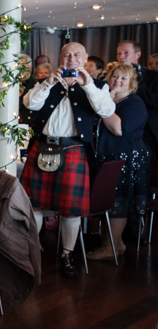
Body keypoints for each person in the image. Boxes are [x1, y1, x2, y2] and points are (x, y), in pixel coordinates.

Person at [21, 42, 115, 278]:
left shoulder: (98, 86)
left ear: (84, 59)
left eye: (76, 55)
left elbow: (105, 110)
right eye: (66, 54)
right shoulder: (46, 83)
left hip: (73, 149)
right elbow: (29, 104)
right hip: (43, 147)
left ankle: (67, 255)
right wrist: (48, 83)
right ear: (60, 58)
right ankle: (31, 254)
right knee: (35, 205)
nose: (71, 58)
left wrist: (88, 85)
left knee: (71, 211)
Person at [87, 63, 150, 260]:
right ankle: (117, 245)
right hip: (107, 158)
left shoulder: (134, 103)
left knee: (118, 203)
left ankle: (109, 247)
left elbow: (118, 129)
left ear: (131, 83)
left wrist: (105, 105)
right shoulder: (106, 98)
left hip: (126, 159)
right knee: (109, 202)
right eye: (115, 76)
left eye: (124, 78)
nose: (118, 81)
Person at [116, 40, 158, 161]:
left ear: (138, 55)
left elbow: (155, 102)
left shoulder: (152, 76)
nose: (121, 57)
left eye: (126, 53)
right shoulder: (114, 77)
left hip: (149, 132)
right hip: (121, 131)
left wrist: (137, 80)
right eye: (119, 54)